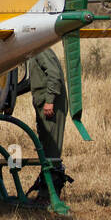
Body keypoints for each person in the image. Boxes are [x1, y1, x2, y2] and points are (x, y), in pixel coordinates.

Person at [27, 47, 68, 200]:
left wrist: (49, 100)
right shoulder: (35, 51)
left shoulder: (40, 50)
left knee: (51, 150)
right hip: (44, 104)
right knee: (46, 148)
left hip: (50, 107)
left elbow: (54, 75)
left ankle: (50, 194)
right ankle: (47, 190)